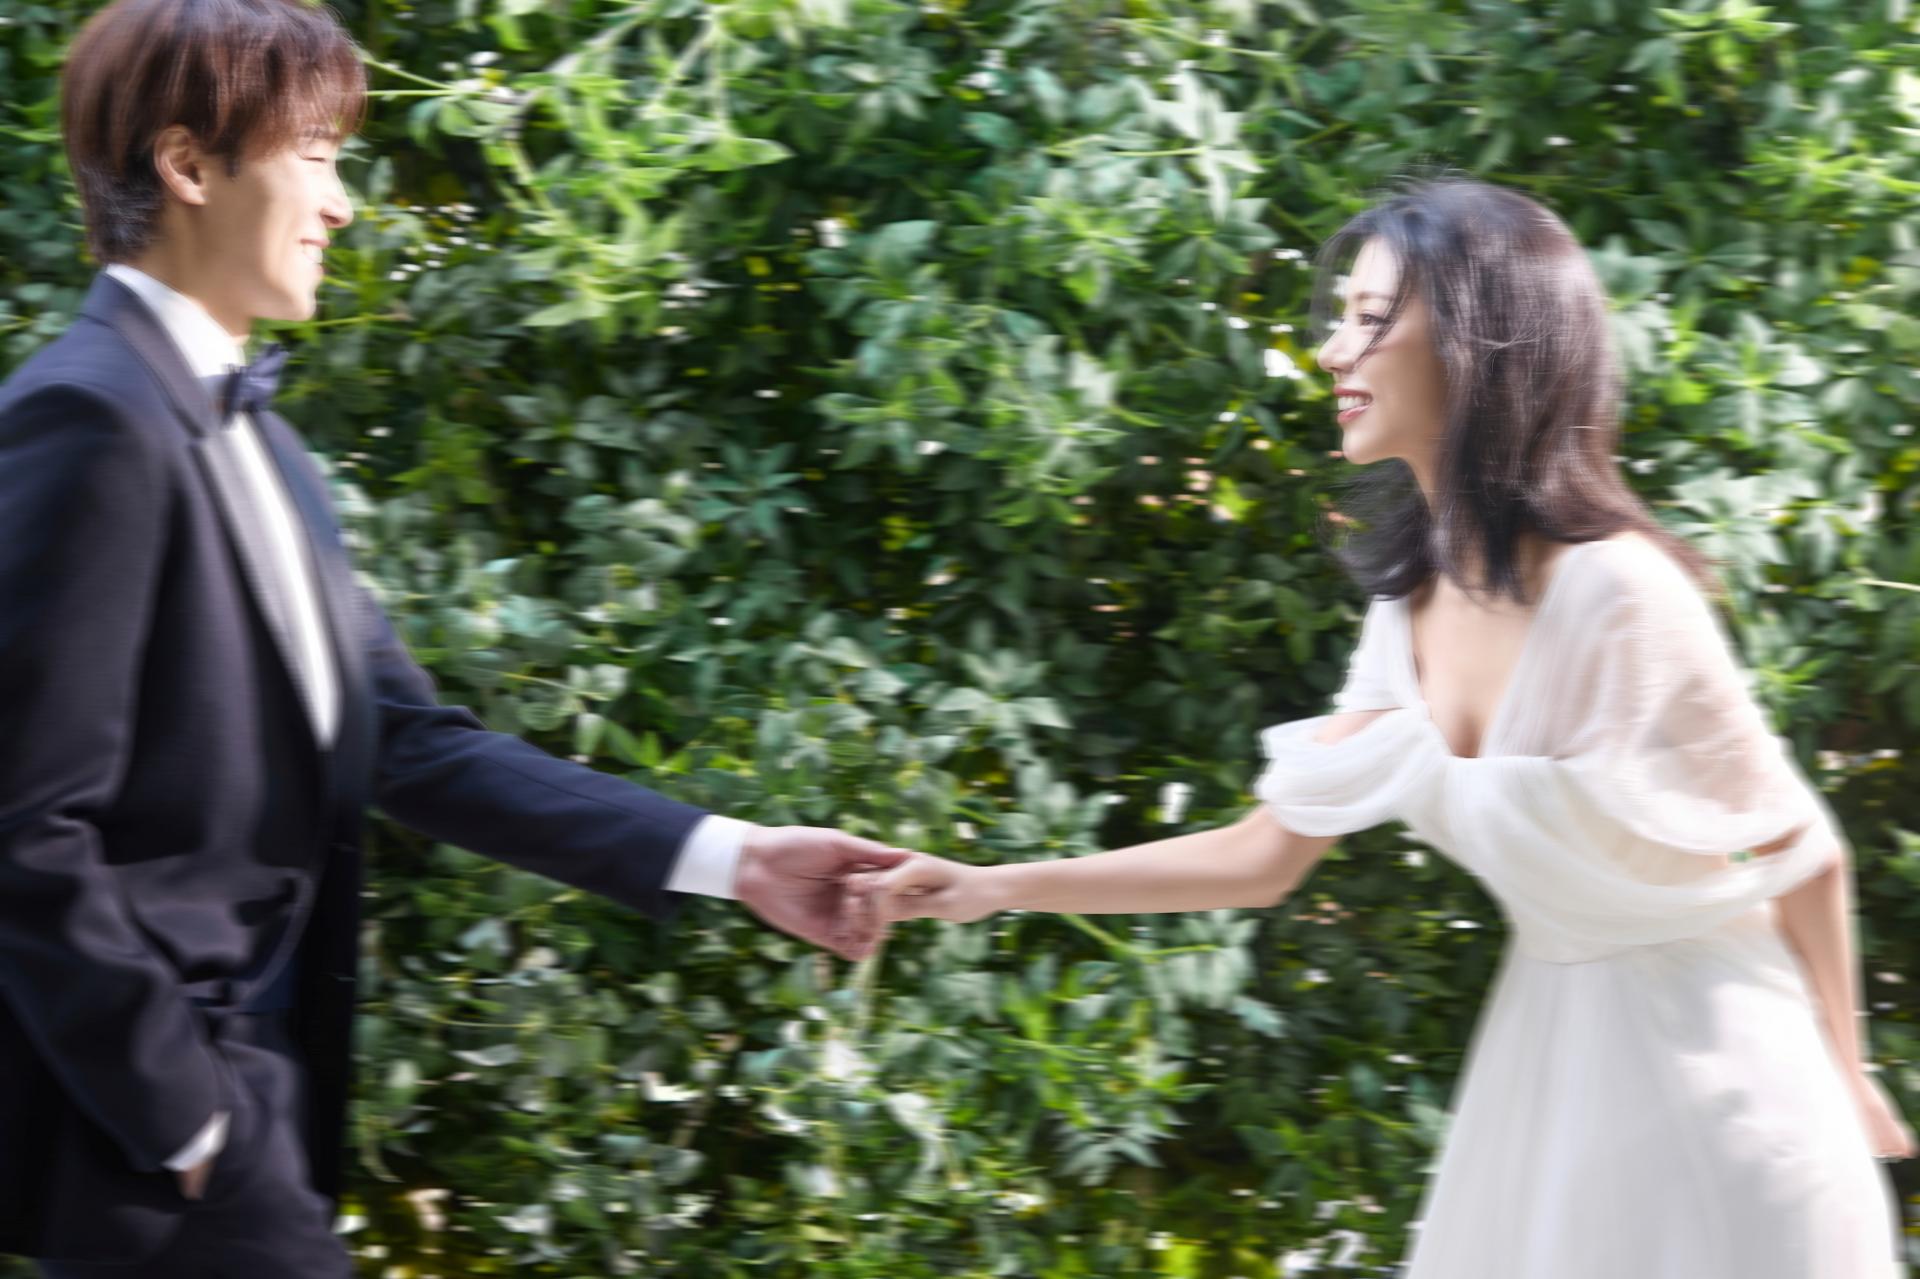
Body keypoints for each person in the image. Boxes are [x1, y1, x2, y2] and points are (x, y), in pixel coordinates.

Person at [851, 177, 1916, 1277]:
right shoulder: (1404, 614)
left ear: (1477, 343)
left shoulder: (1619, 590)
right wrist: (992, 885)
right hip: (1555, 1074)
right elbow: (1262, 857)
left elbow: (1805, 850)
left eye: (1368, 319)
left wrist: (1848, 1076)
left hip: (1729, 1087)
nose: (1330, 352)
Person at [0, 0, 904, 1273]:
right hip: (153, 1145)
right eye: (318, 156)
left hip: (255, 1106)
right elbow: (24, 821)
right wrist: (183, 1114)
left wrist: (735, 858)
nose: (343, 204)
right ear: (189, 165)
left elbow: (412, 744)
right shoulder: (86, 419)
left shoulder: (268, 444)